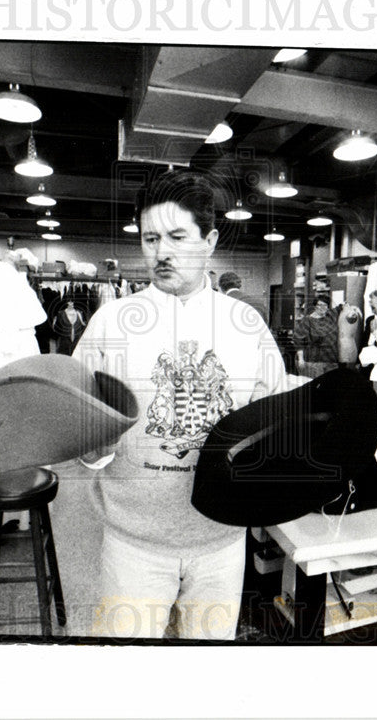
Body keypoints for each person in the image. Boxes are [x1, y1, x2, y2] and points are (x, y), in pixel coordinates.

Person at [73, 168, 287, 640]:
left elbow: (273, 423)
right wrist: (91, 444)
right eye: (150, 238)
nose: (162, 252)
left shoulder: (247, 325)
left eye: (176, 236)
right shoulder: (111, 323)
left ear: (209, 241)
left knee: (205, 671)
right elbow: (80, 431)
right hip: (134, 542)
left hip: (220, 540)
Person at [293, 295, 339, 378]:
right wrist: (301, 359)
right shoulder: (307, 320)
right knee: (315, 386)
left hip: (331, 359)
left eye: (325, 305)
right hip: (314, 361)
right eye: (319, 305)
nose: (322, 307)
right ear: (314, 306)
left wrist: (346, 306)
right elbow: (298, 339)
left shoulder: (329, 317)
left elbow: (338, 309)